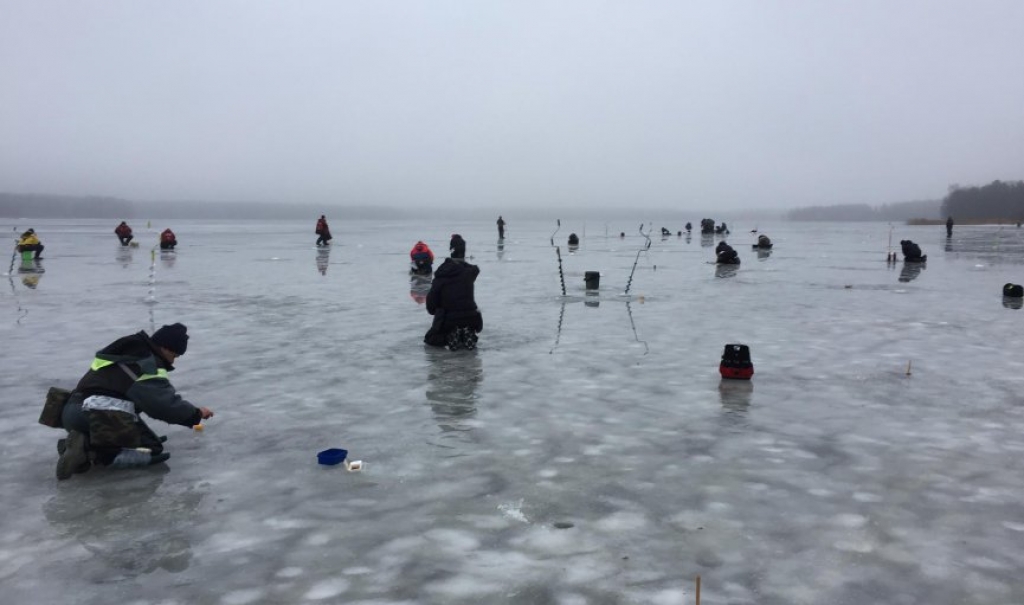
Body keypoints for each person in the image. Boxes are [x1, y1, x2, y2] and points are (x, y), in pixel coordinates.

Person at [55, 323, 214, 480]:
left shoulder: (125, 353)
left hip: (71, 412)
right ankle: (89, 452)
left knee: (140, 436)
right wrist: (196, 414)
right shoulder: (146, 363)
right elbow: (162, 405)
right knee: (151, 449)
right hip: (99, 416)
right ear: (165, 348)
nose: (173, 362)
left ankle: (80, 444)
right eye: (174, 356)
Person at [424, 234, 483, 351]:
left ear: (451, 251)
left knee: (430, 339)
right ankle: (466, 333)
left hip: (449, 320)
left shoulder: (442, 273)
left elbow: (430, 306)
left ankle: (448, 337)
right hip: (473, 318)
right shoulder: (470, 273)